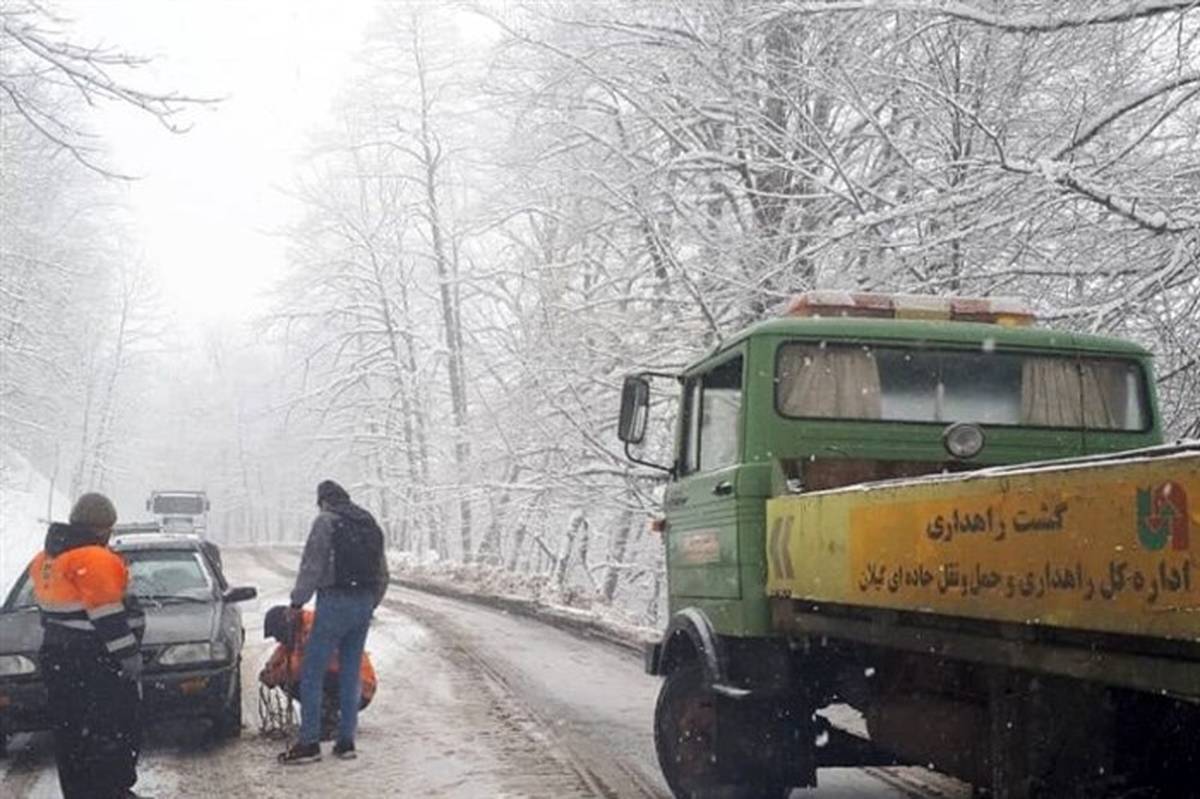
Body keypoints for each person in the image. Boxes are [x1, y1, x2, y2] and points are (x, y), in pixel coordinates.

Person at [30, 492, 147, 799]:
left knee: (71, 736)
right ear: (102, 527)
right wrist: (129, 657)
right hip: (95, 663)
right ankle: (112, 790)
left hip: (58, 660)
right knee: (111, 730)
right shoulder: (94, 559)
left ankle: (81, 792)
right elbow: (108, 617)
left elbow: (49, 614)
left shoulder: (46, 560)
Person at [278, 479, 388, 764]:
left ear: (324, 501)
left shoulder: (326, 521)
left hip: (334, 600)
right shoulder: (368, 523)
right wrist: (369, 603)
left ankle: (309, 743)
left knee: (312, 672)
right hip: (363, 601)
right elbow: (382, 572)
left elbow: (312, 565)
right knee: (351, 672)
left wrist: (297, 602)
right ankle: (346, 742)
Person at [259, 605, 377, 739]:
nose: (278, 640)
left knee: (305, 678)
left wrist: (275, 675)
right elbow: (284, 650)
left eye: (278, 635)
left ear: (286, 626)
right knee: (292, 680)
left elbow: (302, 666)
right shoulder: (298, 628)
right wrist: (270, 668)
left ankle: (330, 722)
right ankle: (323, 716)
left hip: (360, 687)